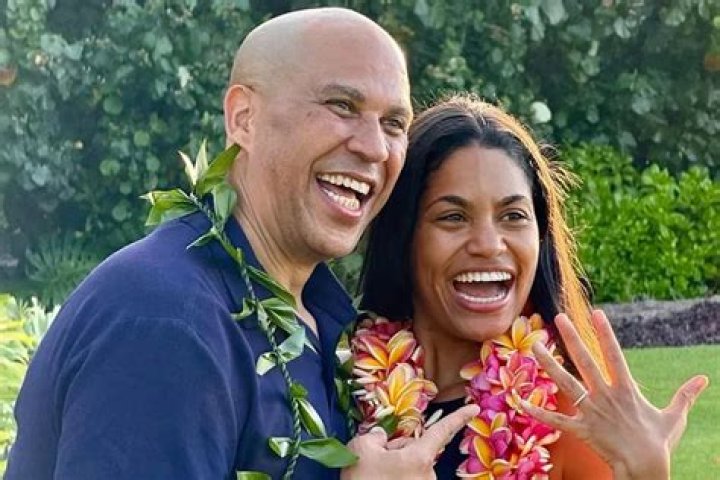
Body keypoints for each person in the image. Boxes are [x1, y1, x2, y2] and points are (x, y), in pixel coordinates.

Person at [7, 8, 477, 479]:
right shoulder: (168, 319)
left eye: (394, 123)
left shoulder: (325, 319)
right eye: (341, 106)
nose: (374, 147)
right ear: (244, 118)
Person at [359, 94, 708, 479]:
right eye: (453, 217)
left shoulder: (570, 419)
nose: (489, 245)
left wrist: (647, 473)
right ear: (402, 235)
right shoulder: (344, 386)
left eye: (513, 216)